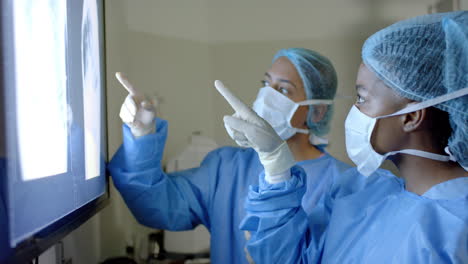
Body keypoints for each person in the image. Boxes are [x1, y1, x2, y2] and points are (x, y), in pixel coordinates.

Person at [217, 11, 468, 263]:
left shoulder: (456, 231)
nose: (354, 112)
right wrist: (275, 166)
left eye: (362, 98)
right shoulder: (359, 194)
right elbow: (284, 258)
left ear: (411, 117)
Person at [108, 48, 351, 264]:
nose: (267, 96)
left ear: (317, 112)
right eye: (266, 84)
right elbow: (154, 205)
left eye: (284, 90)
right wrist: (141, 133)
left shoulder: (342, 186)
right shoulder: (226, 167)